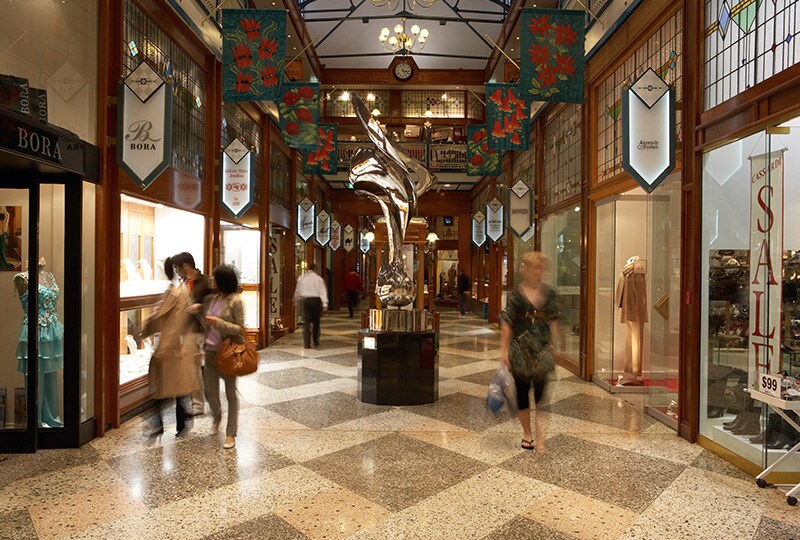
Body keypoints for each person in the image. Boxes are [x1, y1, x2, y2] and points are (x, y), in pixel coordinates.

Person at [500, 252, 563, 453]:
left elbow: (554, 321)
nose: (539, 272)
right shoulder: (515, 295)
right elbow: (507, 323)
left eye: (542, 268)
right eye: (536, 268)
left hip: (542, 352)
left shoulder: (550, 294)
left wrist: (555, 345)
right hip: (520, 352)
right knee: (522, 395)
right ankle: (527, 434)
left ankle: (541, 438)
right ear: (526, 270)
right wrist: (504, 351)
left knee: (541, 398)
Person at [139, 256, 198, 438]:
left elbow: (174, 324)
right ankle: (177, 423)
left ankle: (167, 424)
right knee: (171, 388)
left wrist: (163, 348)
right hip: (173, 348)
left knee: (165, 388)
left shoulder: (176, 293)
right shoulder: (173, 291)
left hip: (173, 349)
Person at [201, 265, 245, 450]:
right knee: (210, 392)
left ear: (222, 280)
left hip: (227, 352)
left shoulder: (236, 301)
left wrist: (218, 323)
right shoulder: (213, 299)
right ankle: (217, 417)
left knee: (230, 394)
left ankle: (230, 433)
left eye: (214, 277)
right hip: (209, 351)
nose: (211, 280)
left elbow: (240, 329)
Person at [172, 252, 210, 416]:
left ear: (185, 266)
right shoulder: (183, 284)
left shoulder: (205, 282)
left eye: (177, 268)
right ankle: (198, 405)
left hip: (203, 331)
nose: (176, 271)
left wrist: (201, 306)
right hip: (188, 332)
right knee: (193, 370)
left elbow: (216, 304)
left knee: (206, 368)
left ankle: (209, 398)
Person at [293, 263, 328, 348]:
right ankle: (315, 340)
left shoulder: (302, 278)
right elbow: (322, 292)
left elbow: (298, 290)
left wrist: (295, 300)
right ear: (315, 269)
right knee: (316, 321)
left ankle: (307, 343)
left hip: (306, 301)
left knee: (307, 322)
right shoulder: (318, 279)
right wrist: (325, 303)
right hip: (316, 301)